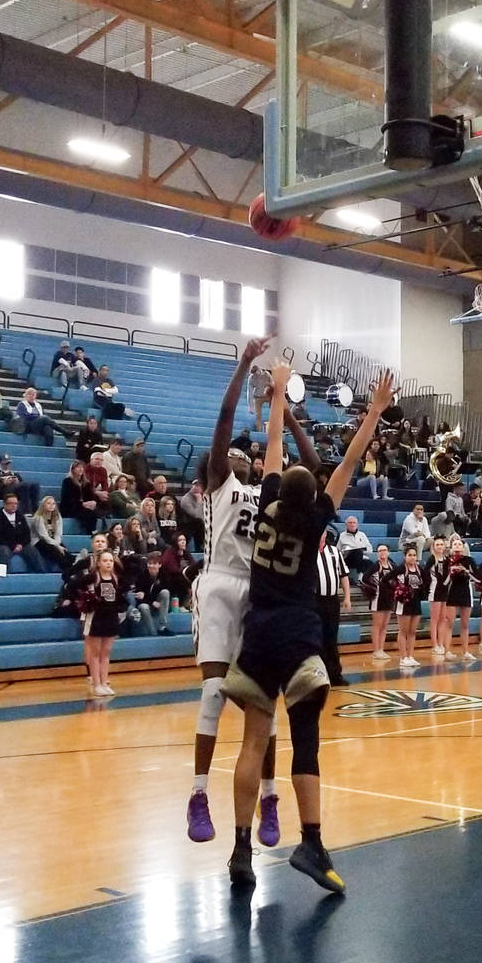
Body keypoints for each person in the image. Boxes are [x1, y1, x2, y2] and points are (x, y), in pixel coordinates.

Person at [222, 363, 396, 893]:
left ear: (277, 493)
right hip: (299, 638)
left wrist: (277, 391)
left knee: (253, 744)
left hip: (258, 636)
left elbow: (274, 441)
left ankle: (240, 850)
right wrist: (375, 412)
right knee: (306, 742)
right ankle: (312, 842)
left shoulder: (268, 507)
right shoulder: (318, 516)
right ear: (314, 498)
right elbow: (347, 461)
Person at [187, 335, 319, 846]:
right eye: (233, 454)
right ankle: (198, 794)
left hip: (259, 593)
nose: (241, 455)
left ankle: (268, 798)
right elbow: (224, 420)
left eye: (247, 453)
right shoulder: (221, 482)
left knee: (263, 705)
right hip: (221, 584)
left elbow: (308, 463)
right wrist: (244, 363)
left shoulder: (275, 491)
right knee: (214, 692)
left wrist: (284, 411)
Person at [78, 549, 126, 696]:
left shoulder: (115, 578)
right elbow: (74, 585)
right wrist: (85, 599)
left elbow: (119, 598)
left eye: (111, 561)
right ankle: (96, 684)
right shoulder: (93, 577)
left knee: (106, 652)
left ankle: (105, 683)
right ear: (98, 563)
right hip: (96, 619)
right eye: (105, 561)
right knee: (95, 653)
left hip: (110, 618)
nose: (108, 563)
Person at [315, 529, 350, 687]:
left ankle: (335, 674)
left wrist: (347, 597)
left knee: (331, 637)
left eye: (322, 532)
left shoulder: (334, 551)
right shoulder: (307, 552)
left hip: (332, 600)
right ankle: (317, 676)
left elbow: (344, 575)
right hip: (313, 600)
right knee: (315, 638)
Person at [443, 536, 478, 663]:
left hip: (465, 592)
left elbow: (478, 578)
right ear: (451, 547)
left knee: (465, 624)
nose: (457, 546)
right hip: (452, 592)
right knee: (449, 623)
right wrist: (450, 572)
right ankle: (447, 651)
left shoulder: (469, 560)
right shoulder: (447, 561)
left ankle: (465, 651)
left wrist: (466, 571)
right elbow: (444, 582)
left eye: (459, 544)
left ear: (463, 547)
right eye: (455, 544)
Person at [362, 544, 398, 662]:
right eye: (380, 551)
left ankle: (381, 649)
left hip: (389, 598)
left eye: (384, 550)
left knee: (384, 625)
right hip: (377, 598)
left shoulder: (392, 566)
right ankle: (376, 650)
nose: (382, 552)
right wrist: (373, 587)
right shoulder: (375, 566)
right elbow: (364, 578)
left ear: (388, 553)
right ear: (377, 553)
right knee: (377, 625)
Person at [0, 493, 46, 572]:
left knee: (32, 550)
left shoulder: (20, 516)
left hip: (19, 545)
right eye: (11, 503)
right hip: (3, 544)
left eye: (16, 503)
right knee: (4, 551)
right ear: (4, 504)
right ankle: (3, 577)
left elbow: (27, 534)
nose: (14, 506)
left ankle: (42, 574)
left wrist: (21, 545)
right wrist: (13, 546)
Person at [394, 546, 425, 668]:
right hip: (404, 602)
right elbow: (386, 579)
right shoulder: (401, 568)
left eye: (414, 555)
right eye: (410, 555)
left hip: (415, 602)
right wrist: (398, 590)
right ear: (405, 557)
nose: (412, 557)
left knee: (413, 631)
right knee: (403, 631)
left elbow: (425, 583)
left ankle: (410, 656)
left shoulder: (420, 569)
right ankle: (403, 657)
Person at [30, 496, 74, 574]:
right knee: (57, 552)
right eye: (48, 503)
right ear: (43, 505)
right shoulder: (38, 518)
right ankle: (69, 570)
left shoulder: (57, 517)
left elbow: (58, 534)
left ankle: (75, 562)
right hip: (39, 541)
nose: (51, 505)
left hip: (53, 540)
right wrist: (57, 546)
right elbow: (44, 536)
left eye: (53, 504)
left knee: (64, 550)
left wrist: (58, 544)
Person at [133, 552, 173, 636]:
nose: (151, 566)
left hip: (159, 604)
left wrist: (147, 597)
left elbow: (165, 591)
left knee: (165, 592)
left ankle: (162, 627)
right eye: (149, 563)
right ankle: (153, 633)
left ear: (160, 565)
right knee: (144, 607)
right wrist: (152, 602)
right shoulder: (142, 576)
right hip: (145, 604)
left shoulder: (164, 575)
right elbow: (139, 596)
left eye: (154, 564)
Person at [425, 536, 449, 655]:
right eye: (437, 545)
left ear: (445, 546)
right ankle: (434, 645)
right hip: (434, 590)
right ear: (433, 547)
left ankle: (441, 643)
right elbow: (425, 574)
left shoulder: (447, 559)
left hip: (445, 591)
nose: (439, 546)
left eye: (441, 544)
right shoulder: (431, 559)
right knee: (434, 619)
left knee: (443, 619)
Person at [60, 460, 98, 534]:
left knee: (94, 512)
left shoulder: (86, 483)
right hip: (70, 507)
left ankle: (93, 531)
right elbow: (66, 498)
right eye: (78, 467)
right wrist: (82, 504)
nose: (81, 469)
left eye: (82, 467)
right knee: (88, 513)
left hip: (84, 507)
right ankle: (92, 532)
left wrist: (93, 502)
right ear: (73, 469)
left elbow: (91, 497)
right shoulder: (67, 481)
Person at [160, 531, 192, 606]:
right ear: (175, 542)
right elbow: (173, 569)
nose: (183, 542)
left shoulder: (186, 553)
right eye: (180, 540)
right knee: (182, 579)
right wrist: (187, 571)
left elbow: (193, 565)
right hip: (170, 581)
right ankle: (181, 605)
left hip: (183, 577)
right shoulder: (169, 552)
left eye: (184, 540)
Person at [337, 516, 373, 581]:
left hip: (361, 557)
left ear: (357, 524)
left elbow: (370, 549)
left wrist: (360, 550)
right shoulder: (341, 536)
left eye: (354, 522)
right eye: (350, 523)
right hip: (347, 559)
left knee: (368, 562)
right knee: (357, 552)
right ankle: (360, 577)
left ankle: (362, 579)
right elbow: (337, 550)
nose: (352, 524)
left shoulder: (362, 535)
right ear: (346, 524)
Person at [85, 451, 110, 521]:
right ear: (91, 460)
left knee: (108, 497)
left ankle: (106, 516)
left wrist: (105, 493)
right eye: (97, 459)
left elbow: (105, 484)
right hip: (87, 492)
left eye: (101, 460)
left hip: (98, 492)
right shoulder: (85, 469)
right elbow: (86, 486)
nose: (99, 461)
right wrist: (97, 492)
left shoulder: (103, 470)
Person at [179, 480, 204, 550]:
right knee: (199, 522)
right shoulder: (186, 499)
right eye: (195, 485)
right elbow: (196, 516)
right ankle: (201, 547)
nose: (196, 487)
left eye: (199, 486)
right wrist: (199, 501)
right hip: (188, 525)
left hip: (201, 524)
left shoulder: (205, 497)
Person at [247, 363, 272, 431]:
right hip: (257, 397)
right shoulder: (251, 378)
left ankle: (272, 426)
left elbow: (273, 384)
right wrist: (251, 407)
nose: (255, 375)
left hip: (267, 395)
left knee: (274, 408)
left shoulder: (266, 374)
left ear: (259, 371)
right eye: (253, 374)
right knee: (258, 415)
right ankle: (259, 430)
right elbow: (249, 392)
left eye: (256, 374)